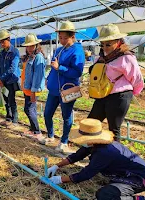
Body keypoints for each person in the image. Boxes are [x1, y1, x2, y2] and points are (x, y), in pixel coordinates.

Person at [47, 118, 145, 200]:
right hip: (129, 171)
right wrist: (57, 166)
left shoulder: (104, 152)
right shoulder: (94, 144)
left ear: (91, 139)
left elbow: (85, 174)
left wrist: (60, 179)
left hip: (139, 178)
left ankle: (137, 198)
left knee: (104, 195)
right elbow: (77, 156)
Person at [88, 24, 144, 141]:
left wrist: (131, 94)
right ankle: (91, 150)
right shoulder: (102, 57)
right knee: (91, 123)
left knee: (113, 129)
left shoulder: (126, 57)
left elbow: (137, 79)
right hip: (103, 94)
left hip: (119, 96)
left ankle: (114, 156)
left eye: (108, 44)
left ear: (118, 42)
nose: (104, 47)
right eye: (102, 44)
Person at [39, 21, 85, 154]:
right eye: (60, 37)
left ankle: (64, 141)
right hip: (54, 89)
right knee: (47, 113)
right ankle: (50, 135)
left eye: (65, 38)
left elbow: (77, 72)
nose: (62, 40)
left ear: (73, 36)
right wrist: (48, 78)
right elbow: (53, 67)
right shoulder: (59, 50)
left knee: (66, 116)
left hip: (67, 89)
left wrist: (61, 68)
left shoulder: (77, 50)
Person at [20, 33, 46, 139]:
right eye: (28, 46)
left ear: (36, 45)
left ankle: (37, 131)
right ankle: (32, 129)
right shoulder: (30, 57)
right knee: (31, 109)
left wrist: (33, 92)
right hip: (28, 88)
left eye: (32, 45)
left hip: (32, 89)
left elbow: (38, 76)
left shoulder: (38, 57)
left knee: (28, 110)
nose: (29, 48)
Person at [0, 30, 21, 128]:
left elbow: (12, 68)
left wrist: (2, 78)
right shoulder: (1, 54)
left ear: (9, 39)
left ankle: (15, 120)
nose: (2, 44)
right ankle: (8, 118)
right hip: (3, 80)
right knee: (5, 99)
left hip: (11, 80)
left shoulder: (14, 52)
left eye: (3, 41)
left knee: (11, 99)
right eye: (0, 42)